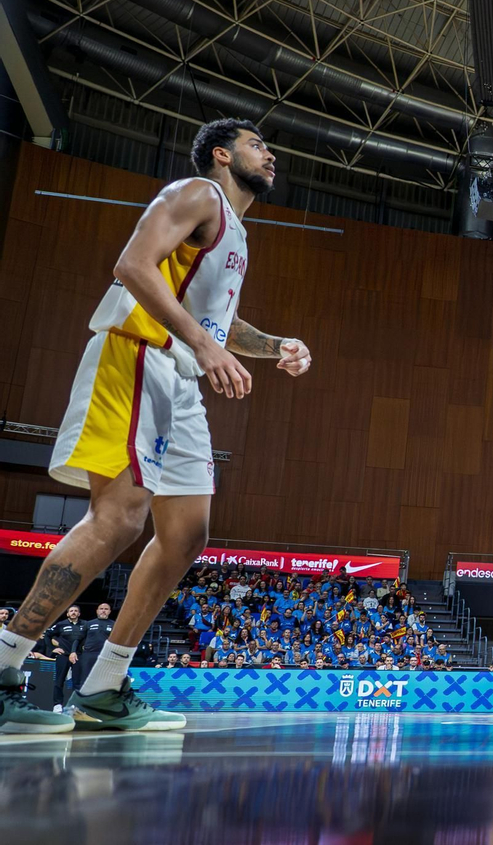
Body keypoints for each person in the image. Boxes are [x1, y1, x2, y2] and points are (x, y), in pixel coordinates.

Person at [0, 117, 310, 734]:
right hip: (137, 355)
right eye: (256, 144)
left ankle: (105, 687)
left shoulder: (237, 235)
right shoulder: (196, 194)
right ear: (221, 154)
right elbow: (133, 266)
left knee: (185, 535)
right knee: (117, 518)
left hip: (182, 377)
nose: (269, 154)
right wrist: (202, 342)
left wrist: (277, 345)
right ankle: (5, 662)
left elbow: (223, 328)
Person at [43, 605, 86, 713]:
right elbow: (47, 635)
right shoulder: (61, 624)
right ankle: (57, 705)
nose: (73, 612)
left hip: (78, 656)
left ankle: (76, 705)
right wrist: (53, 649)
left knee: (77, 682)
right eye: (71, 611)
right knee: (59, 681)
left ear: (79, 614)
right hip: (63, 655)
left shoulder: (85, 625)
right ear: (67, 614)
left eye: (76, 611)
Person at [74, 602, 116, 695]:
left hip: (106, 655)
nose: (103, 611)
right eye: (101, 609)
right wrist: (73, 652)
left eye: (106, 609)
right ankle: (81, 704)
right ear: (97, 611)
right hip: (89, 655)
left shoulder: (114, 625)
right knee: (85, 679)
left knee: (104, 681)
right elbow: (78, 639)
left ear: (109, 611)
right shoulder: (89, 623)